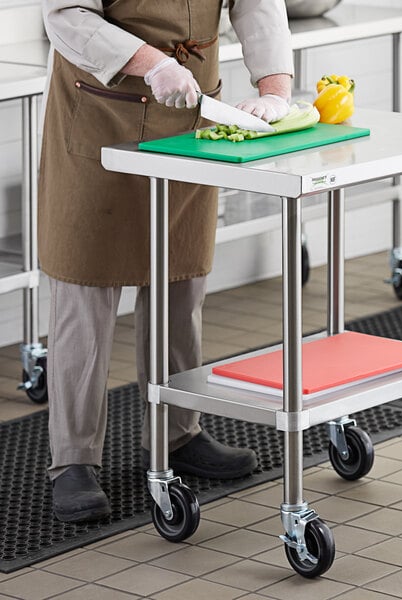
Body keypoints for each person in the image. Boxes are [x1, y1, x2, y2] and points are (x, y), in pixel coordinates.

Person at [39, 0, 293, 523]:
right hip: (100, 109)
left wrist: (275, 91)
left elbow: (258, 3)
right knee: (86, 291)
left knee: (181, 282)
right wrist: (152, 62)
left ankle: (179, 433)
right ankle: (73, 461)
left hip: (190, 110)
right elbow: (67, 15)